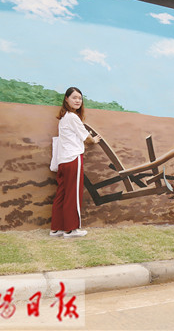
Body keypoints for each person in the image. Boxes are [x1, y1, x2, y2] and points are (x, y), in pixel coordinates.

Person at [50, 87, 101, 238]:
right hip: (73, 159)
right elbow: (87, 138)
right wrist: (95, 140)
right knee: (73, 194)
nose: (78, 100)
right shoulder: (73, 117)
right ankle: (71, 229)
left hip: (63, 161)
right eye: (74, 97)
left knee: (62, 193)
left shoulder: (65, 117)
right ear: (66, 99)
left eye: (80, 98)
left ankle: (56, 228)